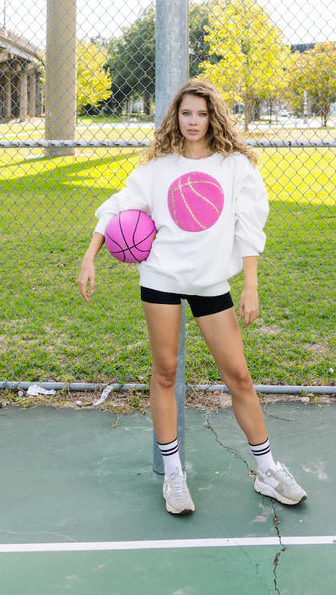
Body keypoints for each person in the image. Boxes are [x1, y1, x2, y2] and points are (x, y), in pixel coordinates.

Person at [78, 79, 307, 516]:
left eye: (202, 114)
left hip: (210, 284)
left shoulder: (235, 165)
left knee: (238, 376)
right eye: (186, 114)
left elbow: (249, 226)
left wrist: (251, 285)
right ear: (175, 117)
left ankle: (268, 469)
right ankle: (174, 475)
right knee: (164, 373)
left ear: (213, 116)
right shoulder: (158, 168)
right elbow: (117, 207)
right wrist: (90, 256)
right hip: (161, 278)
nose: (194, 122)